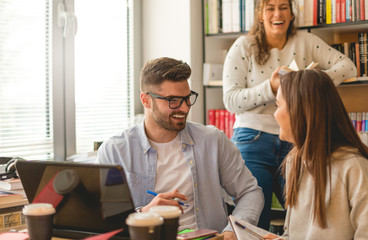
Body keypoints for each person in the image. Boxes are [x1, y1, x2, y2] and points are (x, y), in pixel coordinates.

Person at [222, 0, 357, 230]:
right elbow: (231, 101)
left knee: (309, 215)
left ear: (292, 13)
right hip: (252, 138)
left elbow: (348, 67)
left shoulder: (306, 41)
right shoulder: (243, 46)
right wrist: (272, 88)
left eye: (284, 7)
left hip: (299, 139)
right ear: (260, 14)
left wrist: (308, 85)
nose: (278, 13)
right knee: (256, 218)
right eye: (270, 7)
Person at [96, 57, 264, 240]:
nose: (184, 108)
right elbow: (104, 218)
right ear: (146, 100)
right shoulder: (114, 151)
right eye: (173, 100)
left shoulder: (212, 140)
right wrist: (144, 212)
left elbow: (250, 192)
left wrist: (233, 230)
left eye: (187, 98)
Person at [263, 69, 368, 239]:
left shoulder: (354, 166)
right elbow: (294, 234)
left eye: (278, 105)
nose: (274, 114)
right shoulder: (294, 161)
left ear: (301, 111)